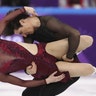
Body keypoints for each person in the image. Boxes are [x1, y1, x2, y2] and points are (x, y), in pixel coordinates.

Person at [0, 6, 83, 96]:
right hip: (48, 67)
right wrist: (29, 71)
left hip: (66, 69)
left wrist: (69, 56)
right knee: (27, 94)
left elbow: (74, 34)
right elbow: (28, 61)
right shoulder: (28, 35)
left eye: (21, 32)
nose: (23, 35)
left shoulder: (48, 22)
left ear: (22, 22)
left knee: (43, 93)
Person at [0, 34, 94, 91]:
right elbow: (22, 83)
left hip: (44, 50)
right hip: (44, 68)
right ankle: (70, 58)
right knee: (90, 70)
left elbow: (5, 21)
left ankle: (70, 55)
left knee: (87, 40)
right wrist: (46, 81)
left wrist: (23, 10)